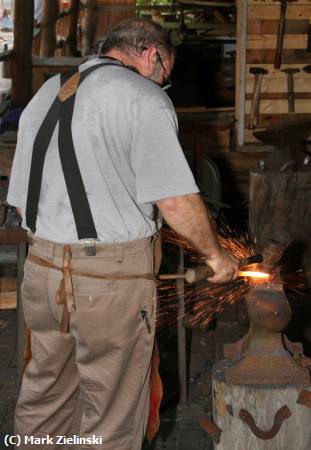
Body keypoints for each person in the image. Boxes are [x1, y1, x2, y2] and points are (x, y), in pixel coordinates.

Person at [7, 18, 239, 450]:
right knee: (112, 412)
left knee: (45, 397)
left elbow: (21, 203)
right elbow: (174, 201)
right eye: (165, 72)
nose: (163, 82)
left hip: (41, 273)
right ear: (152, 56)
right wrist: (216, 257)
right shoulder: (143, 97)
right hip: (109, 284)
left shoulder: (47, 91)